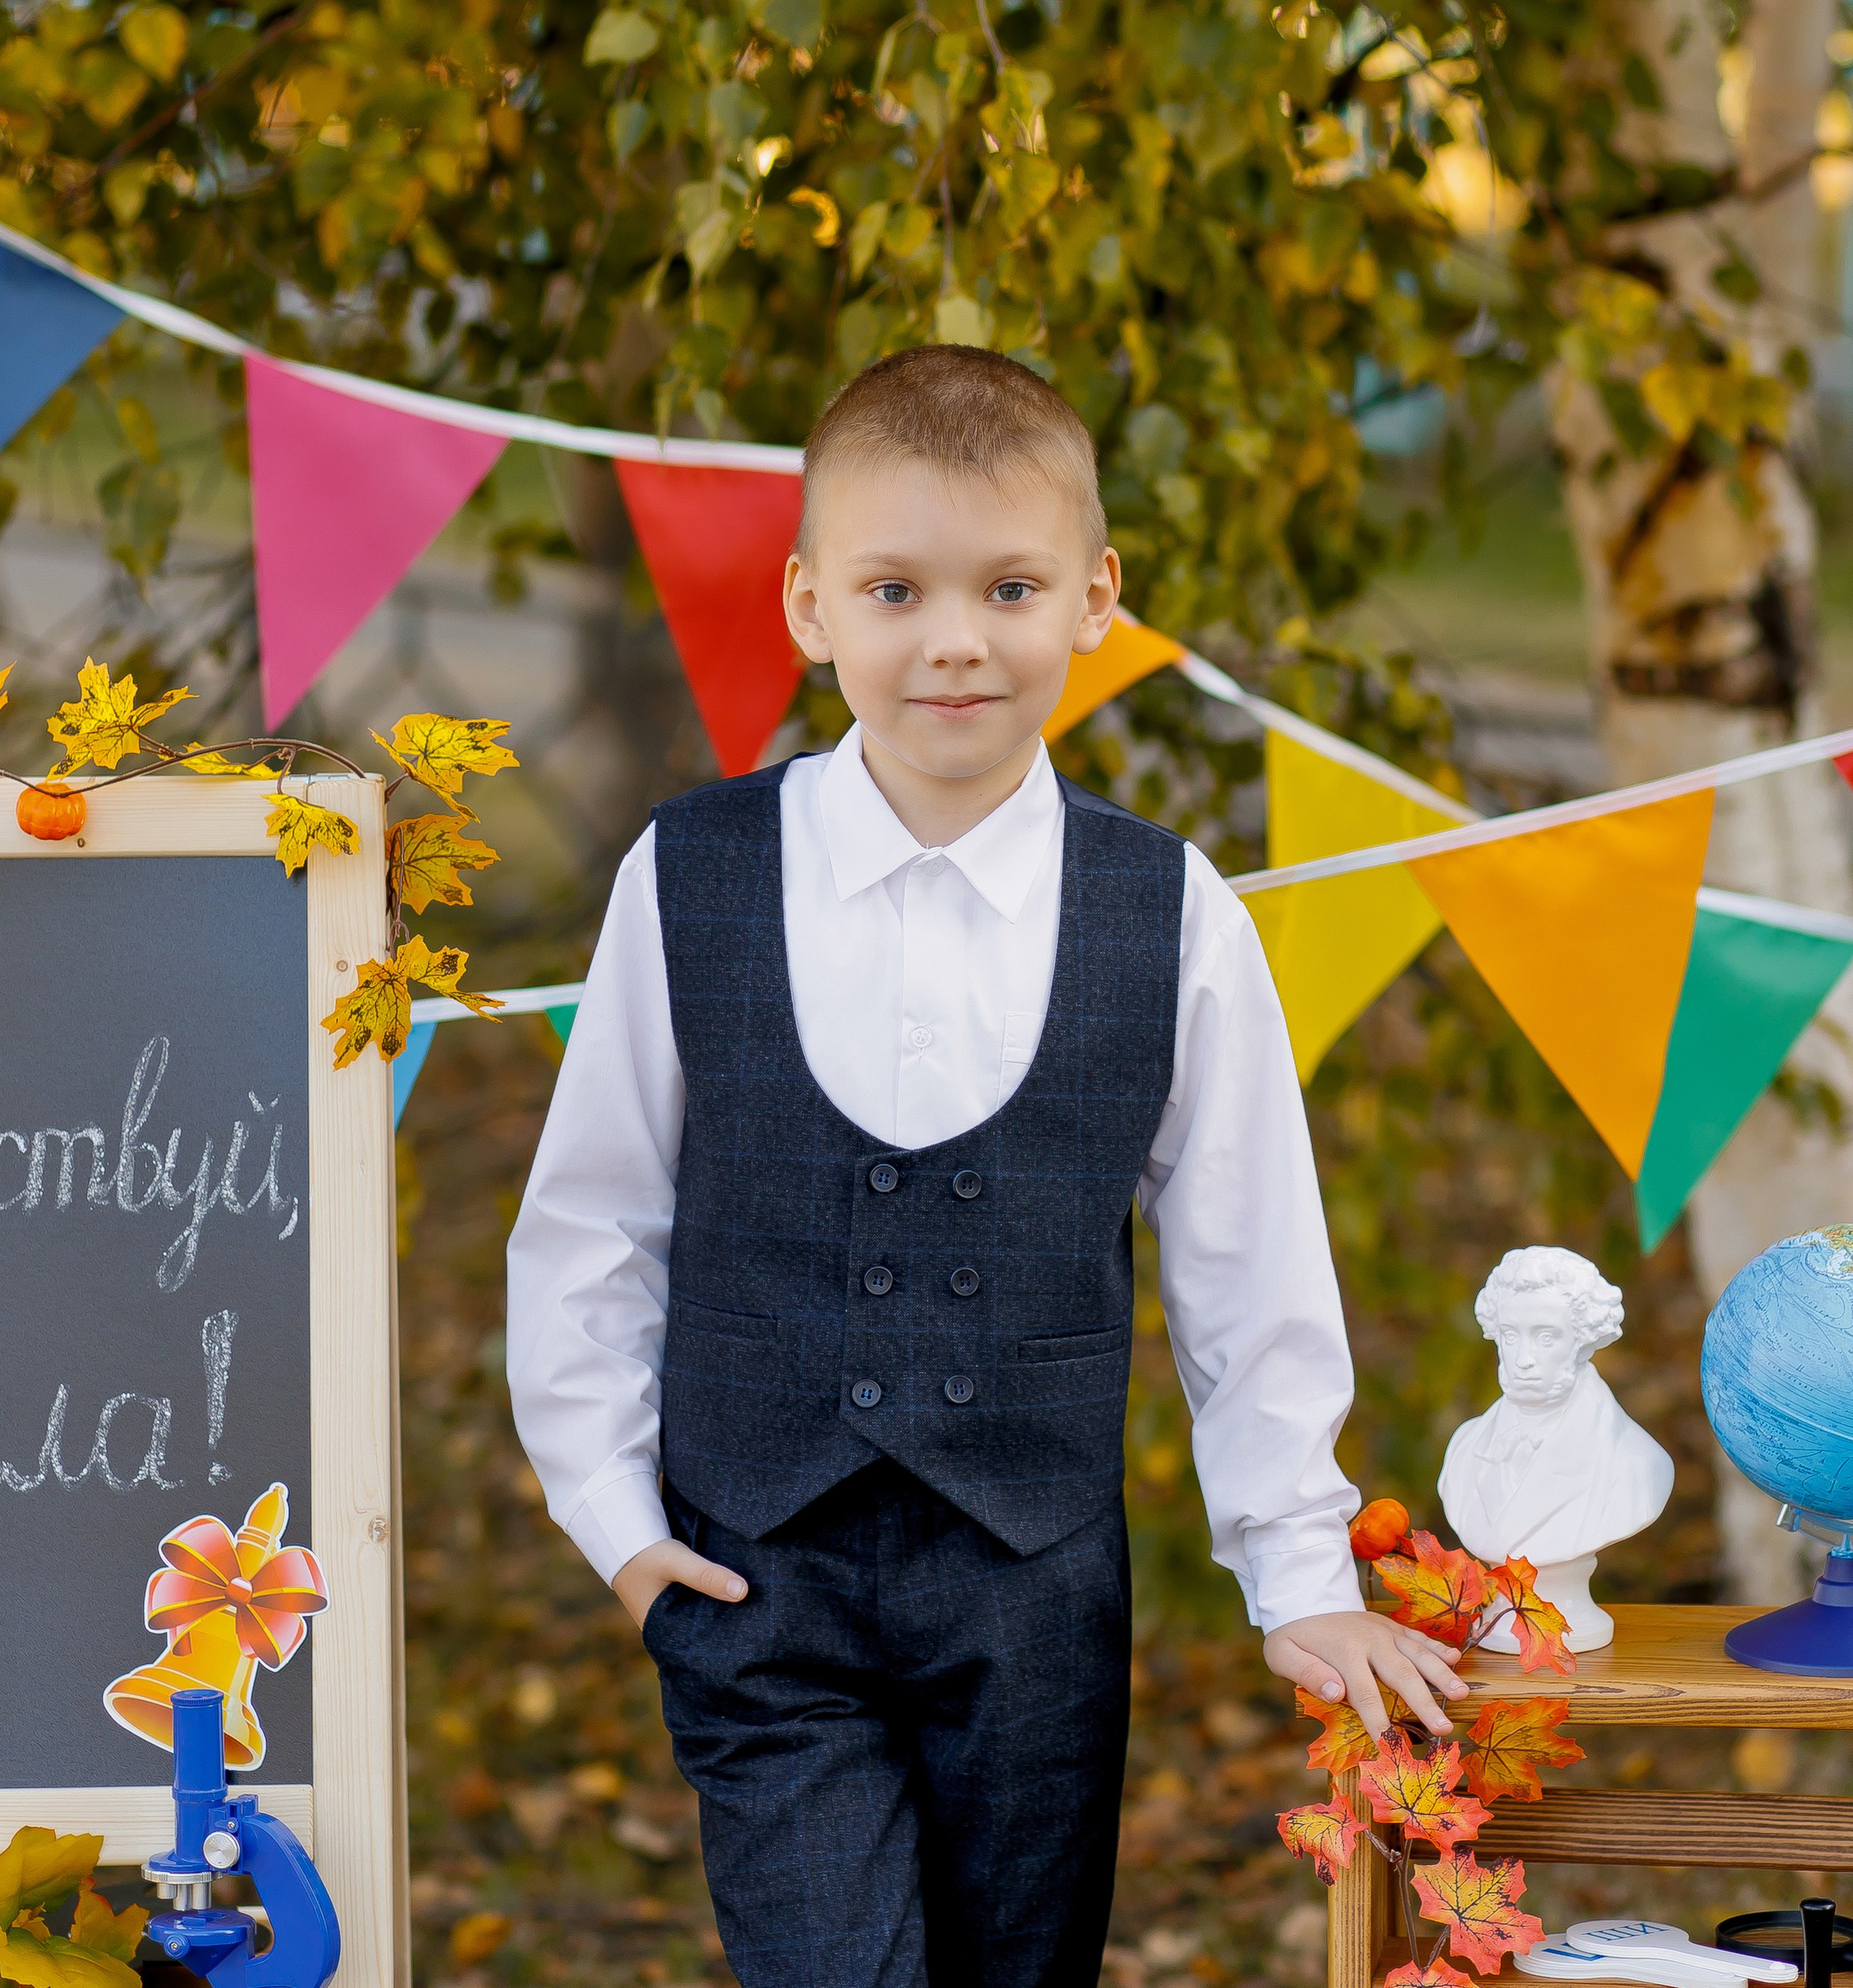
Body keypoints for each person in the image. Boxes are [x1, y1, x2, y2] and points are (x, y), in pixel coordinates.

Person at [507, 345, 1465, 1988]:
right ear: (811, 605)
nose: (953, 637)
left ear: (1092, 596)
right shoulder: (690, 874)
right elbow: (595, 1218)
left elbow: (1247, 1264)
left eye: (1007, 585)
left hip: (1030, 1603)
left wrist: (1295, 1569)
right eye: (896, 589)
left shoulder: (1168, 916)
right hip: (753, 1579)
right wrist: (612, 1517)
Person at [1439, 1246, 1673, 1649]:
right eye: (1511, 1336)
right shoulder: (1465, 1447)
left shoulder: (1637, 1465)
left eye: (1546, 1337)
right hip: (1499, 1623)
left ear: (1582, 1342)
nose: (1523, 1359)